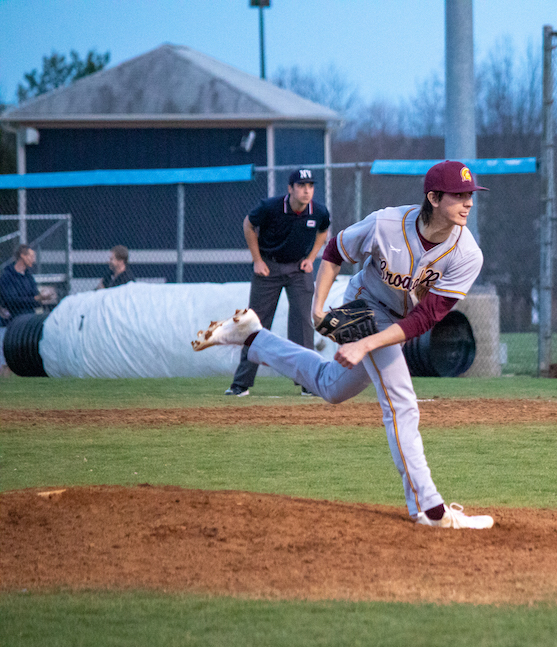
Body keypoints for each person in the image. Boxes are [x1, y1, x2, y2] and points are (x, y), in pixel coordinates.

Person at [193, 160, 493, 530]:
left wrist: (366, 346)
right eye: (458, 195)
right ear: (433, 197)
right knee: (401, 402)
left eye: (470, 195)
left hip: (395, 324)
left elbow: (424, 319)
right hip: (364, 305)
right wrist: (318, 307)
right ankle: (429, 509)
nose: (468, 202)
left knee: (330, 386)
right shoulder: (387, 224)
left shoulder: (467, 254)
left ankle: (253, 337)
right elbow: (335, 251)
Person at [226, 168, 331, 396]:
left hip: (298, 268)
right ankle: (240, 385)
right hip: (268, 267)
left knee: (303, 324)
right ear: (290, 189)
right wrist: (257, 260)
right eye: (301, 186)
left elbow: (324, 230)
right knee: (256, 323)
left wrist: (311, 258)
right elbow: (248, 224)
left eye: (310, 186)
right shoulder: (270, 207)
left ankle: (308, 384)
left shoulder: (318, 211)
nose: (306, 190)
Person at [0, 245, 45, 325]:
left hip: (29, 318)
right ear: (23, 256)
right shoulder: (8, 276)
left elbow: (35, 296)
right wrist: (35, 299)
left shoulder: (29, 276)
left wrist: (41, 298)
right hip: (12, 320)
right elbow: (11, 300)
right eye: (31, 256)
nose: (33, 260)